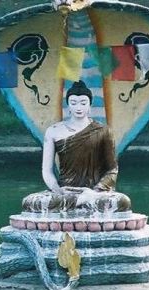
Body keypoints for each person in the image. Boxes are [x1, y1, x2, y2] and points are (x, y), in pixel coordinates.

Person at [22, 81, 131, 214]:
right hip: (65, 191)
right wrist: (57, 189)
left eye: (83, 103)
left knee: (123, 201)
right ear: (68, 105)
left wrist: (96, 191)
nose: (78, 108)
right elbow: (46, 170)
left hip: (94, 192)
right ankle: (79, 202)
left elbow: (112, 169)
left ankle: (74, 203)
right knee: (30, 202)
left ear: (90, 105)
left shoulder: (103, 131)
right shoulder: (54, 131)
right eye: (74, 103)